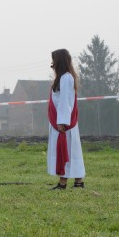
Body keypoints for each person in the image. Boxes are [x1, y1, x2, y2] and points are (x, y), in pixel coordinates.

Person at [47, 48, 85, 190]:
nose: (52, 64)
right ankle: (77, 182)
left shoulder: (66, 78)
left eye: (53, 60)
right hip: (60, 121)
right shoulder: (62, 78)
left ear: (59, 61)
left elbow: (65, 101)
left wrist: (62, 122)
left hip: (63, 123)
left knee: (67, 150)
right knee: (70, 150)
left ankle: (66, 183)